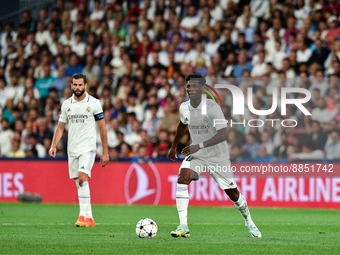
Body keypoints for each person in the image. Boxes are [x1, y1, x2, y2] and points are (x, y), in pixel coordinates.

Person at [167, 73, 261, 238]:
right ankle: (183, 225)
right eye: (188, 86)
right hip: (198, 154)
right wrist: (174, 147)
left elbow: (224, 133)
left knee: (233, 194)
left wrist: (200, 145)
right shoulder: (184, 107)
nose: (191, 89)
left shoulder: (212, 108)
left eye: (195, 86)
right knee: (183, 177)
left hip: (218, 156)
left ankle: (249, 221)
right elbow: (182, 125)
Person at [49, 73, 109, 227]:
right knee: (79, 182)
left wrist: (105, 152)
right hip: (72, 149)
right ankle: (90, 218)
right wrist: (53, 145)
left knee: (83, 177)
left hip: (87, 148)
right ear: (71, 85)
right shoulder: (66, 104)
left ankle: (82, 217)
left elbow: (103, 129)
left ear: (85, 86)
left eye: (80, 85)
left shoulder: (94, 103)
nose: (77, 87)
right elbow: (61, 127)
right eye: (75, 85)